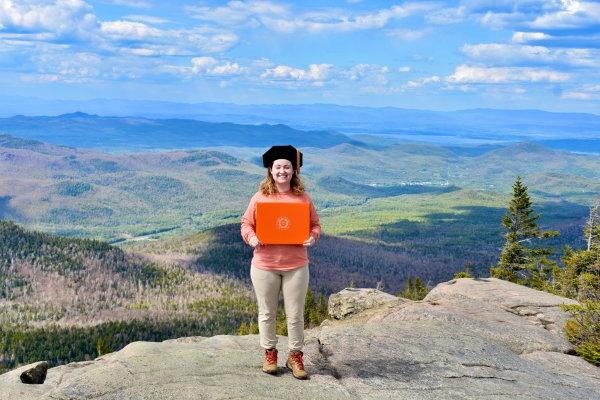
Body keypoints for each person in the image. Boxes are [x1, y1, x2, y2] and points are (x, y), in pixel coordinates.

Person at [240, 145, 321, 380]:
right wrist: (252, 237)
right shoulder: (260, 197)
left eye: (287, 166)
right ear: (270, 170)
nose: (282, 171)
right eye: (278, 167)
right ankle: (270, 353)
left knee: (295, 315)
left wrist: (312, 237)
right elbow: (246, 224)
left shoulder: (303, 197)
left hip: (296, 265)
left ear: (294, 170)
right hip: (264, 265)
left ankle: (295, 355)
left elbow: (315, 225)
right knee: (267, 313)